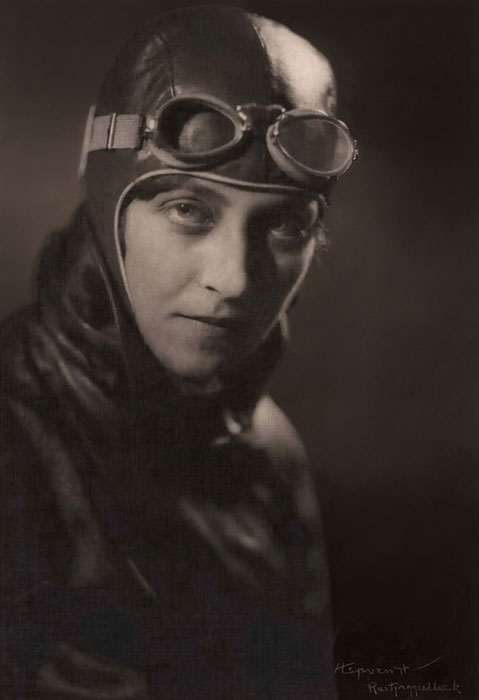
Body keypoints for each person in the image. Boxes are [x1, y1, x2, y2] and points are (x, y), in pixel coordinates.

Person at [0, 4, 356, 698]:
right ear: (110, 214)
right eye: (189, 211)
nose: (234, 279)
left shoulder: (270, 451)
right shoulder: (15, 441)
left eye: (284, 226)